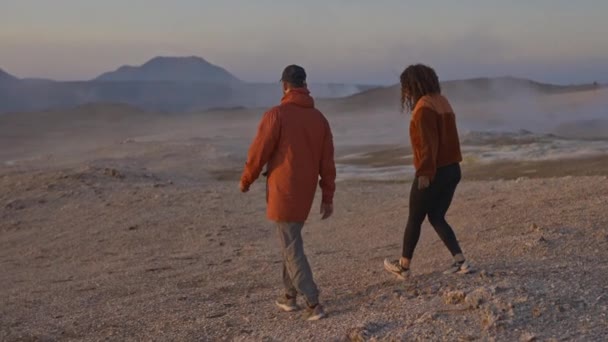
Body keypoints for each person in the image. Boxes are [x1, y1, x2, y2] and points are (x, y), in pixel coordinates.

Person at [240, 65, 336, 320]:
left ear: (284, 86)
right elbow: (328, 163)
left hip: (283, 190)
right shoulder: (319, 119)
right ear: (304, 85)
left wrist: (246, 180)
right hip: (305, 192)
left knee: (291, 245)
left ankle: (313, 302)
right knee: (290, 239)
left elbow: (258, 152)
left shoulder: (277, 115)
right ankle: (288, 295)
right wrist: (327, 196)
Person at [384, 64, 473, 280]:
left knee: (415, 217)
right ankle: (461, 261)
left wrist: (424, 173)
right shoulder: (442, 102)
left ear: (413, 85)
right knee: (436, 216)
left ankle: (403, 267)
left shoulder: (424, 107)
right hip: (453, 169)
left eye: (406, 86)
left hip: (434, 171)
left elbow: (427, 144)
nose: (404, 91)